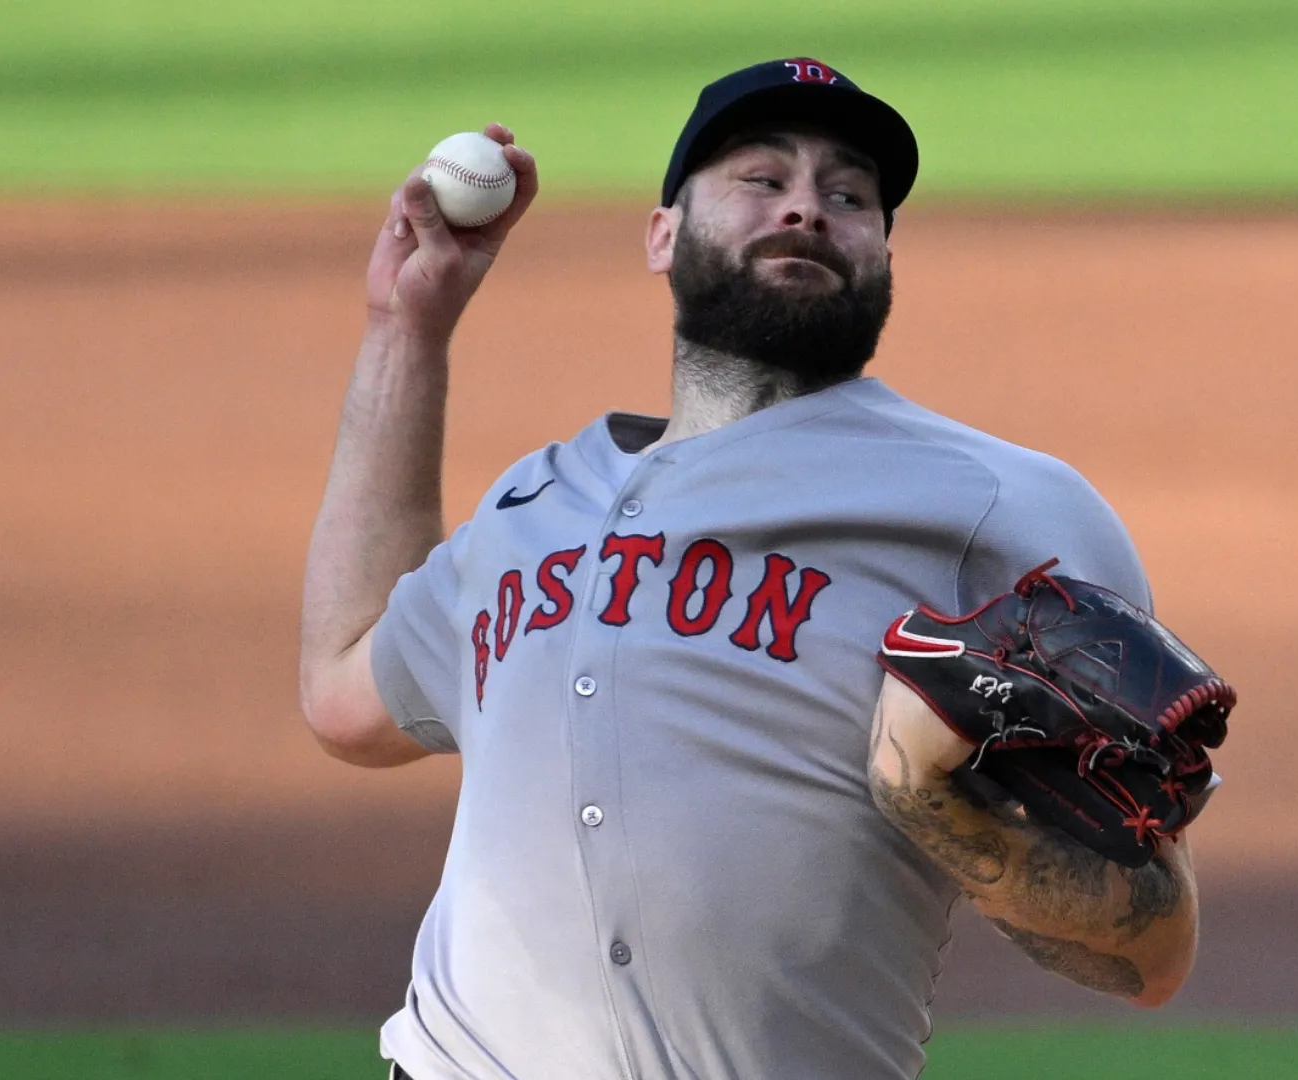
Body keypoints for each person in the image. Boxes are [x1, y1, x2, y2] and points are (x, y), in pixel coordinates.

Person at [298, 57, 1200, 1080]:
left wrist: (932, 801)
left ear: (883, 256)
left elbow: (1151, 951)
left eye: (848, 194)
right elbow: (345, 690)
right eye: (762, 180)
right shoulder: (533, 506)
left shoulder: (1003, 509)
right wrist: (406, 327)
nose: (808, 209)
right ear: (663, 235)